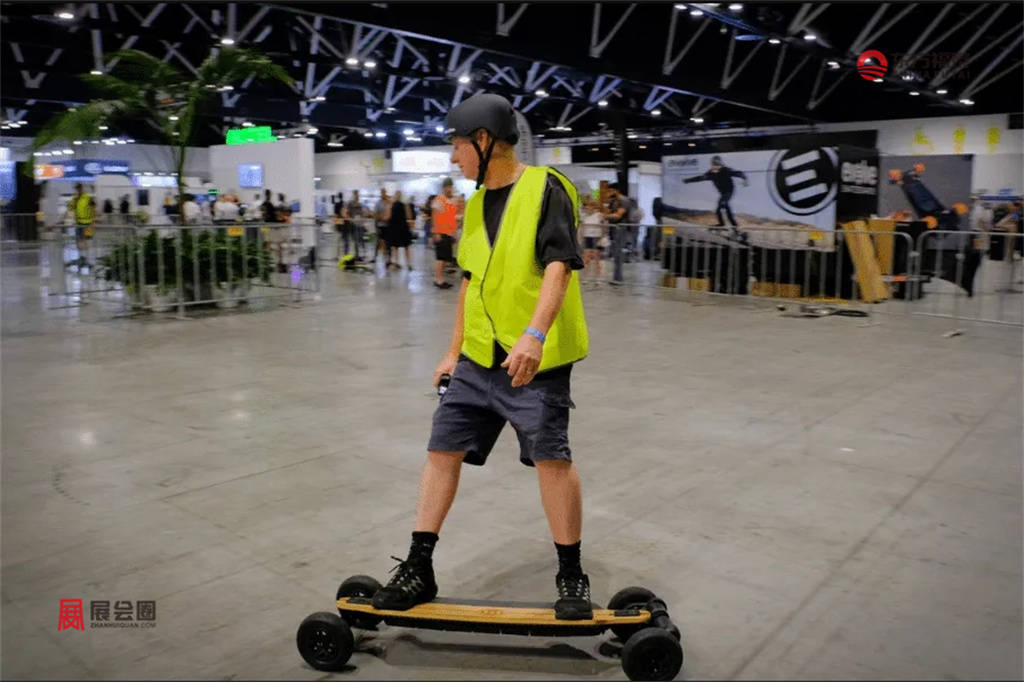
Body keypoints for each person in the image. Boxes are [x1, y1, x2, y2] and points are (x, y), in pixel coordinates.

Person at [370, 93, 591, 621]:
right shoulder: (472, 206)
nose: (453, 156)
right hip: (477, 357)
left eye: (457, 145)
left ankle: (571, 574)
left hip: (533, 360)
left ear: (484, 141)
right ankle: (419, 566)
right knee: (441, 451)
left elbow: (560, 265)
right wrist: (452, 351)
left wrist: (534, 335)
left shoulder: (546, 188)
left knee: (551, 460)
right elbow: (471, 282)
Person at [683, 155, 748, 227]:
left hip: (729, 191)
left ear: (721, 165)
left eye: (718, 165)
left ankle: (726, 224)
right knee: (721, 207)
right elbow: (700, 178)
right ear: (712, 165)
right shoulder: (710, 173)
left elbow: (739, 173)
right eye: (714, 165)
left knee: (722, 204)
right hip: (722, 193)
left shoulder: (726, 170)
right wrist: (688, 180)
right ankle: (731, 224)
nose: (716, 168)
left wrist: (745, 179)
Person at [431, 178, 459, 288]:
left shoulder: (451, 201)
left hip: (448, 233)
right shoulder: (439, 200)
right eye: (447, 187)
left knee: (444, 258)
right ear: (444, 188)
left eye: (450, 187)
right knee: (440, 258)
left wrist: (453, 233)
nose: (449, 189)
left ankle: (441, 279)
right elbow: (434, 216)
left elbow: (452, 217)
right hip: (440, 233)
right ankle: (438, 280)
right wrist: (436, 232)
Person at [65, 182, 95, 268]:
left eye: (80, 188)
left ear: (82, 188)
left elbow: (93, 209)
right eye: (77, 188)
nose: (78, 190)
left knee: (88, 242)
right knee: (79, 241)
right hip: (79, 224)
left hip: (88, 224)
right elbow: (70, 207)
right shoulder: (75, 198)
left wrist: (94, 221)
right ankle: (82, 258)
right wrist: (74, 201)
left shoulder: (88, 198)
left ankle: (87, 259)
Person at [385, 190, 414, 270]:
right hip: (404, 227)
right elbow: (409, 216)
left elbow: (388, 216)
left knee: (395, 247)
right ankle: (409, 264)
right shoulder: (405, 205)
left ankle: (396, 263)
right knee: (406, 247)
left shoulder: (392, 205)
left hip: (394, 228)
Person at [579, 197, 606, 282]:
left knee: (597, 259)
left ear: (593, 207)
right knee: (586, 258)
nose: (587, 208)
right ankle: (585, 277)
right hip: (588, 238)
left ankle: (598, 278)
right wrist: (581, 237)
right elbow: (582, 227)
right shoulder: (585, 216)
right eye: (586, 207)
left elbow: (604, 228)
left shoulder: (599, 216)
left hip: (597, 238)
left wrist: (601, 238)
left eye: (588, 206)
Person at [346, 190, 367, 261]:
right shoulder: (350, 203)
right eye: (356, 194)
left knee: (360, 240)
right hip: (353, 224)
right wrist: (350, 219)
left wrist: (363, 216)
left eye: (358, 195)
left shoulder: (360, 204)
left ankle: (361, 255)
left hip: (360, 224)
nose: (357, 196)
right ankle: (357, 255)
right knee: (355, 240)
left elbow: (362, 213)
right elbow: (347, 213)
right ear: (354, 195)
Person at [374, 188, 391, 265]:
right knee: (380, 242)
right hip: (380, 226)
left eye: (385, 192)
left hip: (388, 226)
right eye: (382, 192)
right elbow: (375, 214)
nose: (384, 194)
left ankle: (388, 259)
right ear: (381, 193)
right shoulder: (378, 203)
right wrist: (382, 217)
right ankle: (376, 257)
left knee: (388, 242)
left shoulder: (388, 202)